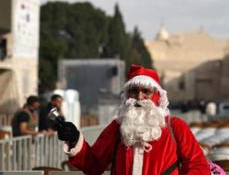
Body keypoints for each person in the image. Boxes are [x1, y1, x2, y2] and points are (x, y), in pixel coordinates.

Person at [55, 64, 210, 174]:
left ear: (156, 94)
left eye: (145, 91)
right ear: (127, 95)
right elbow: (93, 165)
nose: (139, 97)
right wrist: (76, 140)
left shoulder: (175, 127)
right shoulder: (117, 128)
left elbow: (197, 165)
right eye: (134, 91)